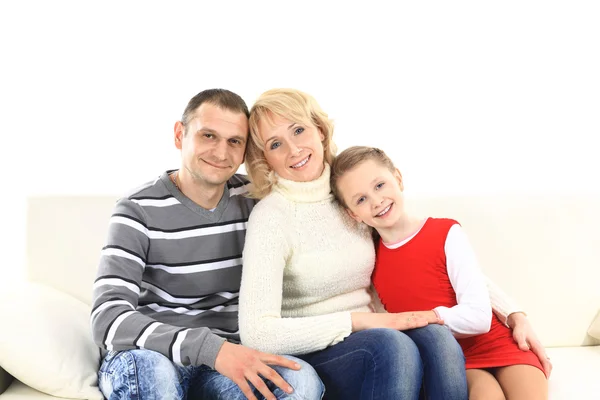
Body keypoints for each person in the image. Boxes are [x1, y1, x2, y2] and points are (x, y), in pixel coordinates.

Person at [237, 88, 545, 400]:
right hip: (315, 349)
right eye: (276, 144)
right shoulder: (271, 218)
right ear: (266, 158)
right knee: (391, 345)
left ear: (319, 129)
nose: (293, 149)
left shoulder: (352, 196)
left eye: (299, 130)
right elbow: (257, 332)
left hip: (373, 335)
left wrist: (514, 312)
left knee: (436, 336)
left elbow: (432, 251)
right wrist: (361, 322)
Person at [91, 89, 324, 400]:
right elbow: (107, 318)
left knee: (300, 381)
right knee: (153, 375)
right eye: (208, 136)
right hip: (153, 357)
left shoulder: (257, 200)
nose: (221, 152)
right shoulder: (137, 209)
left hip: (228, 366)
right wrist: (210, 348)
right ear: (180, 134)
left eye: (234, 141)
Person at [330, 146, 549, 400]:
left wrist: (515, 314)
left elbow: (479, 313)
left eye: (379, 185)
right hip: (453, 360)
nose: (376, 201)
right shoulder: (369, 262)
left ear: (398, 178)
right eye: (361, 199)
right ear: (352, 214)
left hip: (499, 343)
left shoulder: (445, 233)